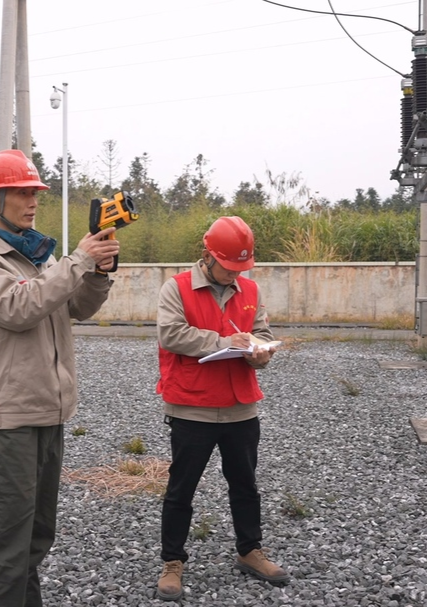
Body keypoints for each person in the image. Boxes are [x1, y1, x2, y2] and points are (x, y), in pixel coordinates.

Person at [0, 149, 121, 607]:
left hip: (49, 412)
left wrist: (98, 273)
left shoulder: (36, 257)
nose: (32, 202)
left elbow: (76, 309)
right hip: (9, 419)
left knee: (35, 539)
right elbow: (19, 309)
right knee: (3, 548)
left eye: (35, 193)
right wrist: (77, 261)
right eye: (23, 193)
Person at [154, 215, 289, 601]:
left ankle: (250, 550)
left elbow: (261, 331)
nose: (234, 275)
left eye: (240, 268)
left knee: (245, 485)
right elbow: (172, 334)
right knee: (181, 489)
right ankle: (172, 562)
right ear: (208, 255)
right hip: (191, 407)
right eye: (229, 267)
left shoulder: (250, 289)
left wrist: (259, 353)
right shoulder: (176, 288)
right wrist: (224, 341)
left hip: (241, 407)